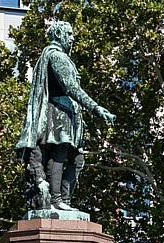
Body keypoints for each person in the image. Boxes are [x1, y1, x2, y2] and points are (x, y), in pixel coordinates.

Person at [16, 21, 115, 212]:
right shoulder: (57, 56)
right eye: (69, 34)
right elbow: (71, 87)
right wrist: (96, 108)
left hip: (67, 115)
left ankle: (64, 201)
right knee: (59, 155)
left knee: (77, 159)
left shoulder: (57, 56)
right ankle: (56, 200)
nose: (72, 38)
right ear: (59, 35)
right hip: (58, 114)